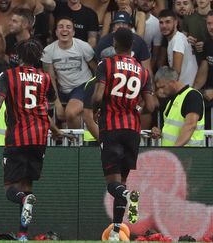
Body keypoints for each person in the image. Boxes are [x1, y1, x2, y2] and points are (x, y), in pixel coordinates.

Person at [0, 39, 63, 241]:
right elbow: (44, 106)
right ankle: (23, 234)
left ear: (18, 56)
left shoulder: (8, 75)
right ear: (38, 58)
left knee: (11, 188)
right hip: (39, 139)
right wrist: (55, 130)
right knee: (27, 185)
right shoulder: (44, 78)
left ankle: (24, 202)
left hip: (17, 138)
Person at [92, 28, 156, 241]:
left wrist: (96, 110)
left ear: (114, 43)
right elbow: (150, 105)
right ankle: (117, 232)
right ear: (132, 46)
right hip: (132, 130)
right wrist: (135, 110)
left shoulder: (106, 64)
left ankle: (127, 196)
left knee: (114, 185)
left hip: (111, 128)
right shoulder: (143, 71)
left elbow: (98, 95)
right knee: (122, 182)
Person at [42, 17, 97, 129]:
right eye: (61, 27)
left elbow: (96, 70)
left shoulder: (83, 46)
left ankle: (77, 144)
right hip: (62, 88)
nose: (64, 30)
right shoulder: (48, 51)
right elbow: (50, 78)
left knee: (70, 113)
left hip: (83, 85)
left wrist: (96, 93)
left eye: (68, 27)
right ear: (56, 32)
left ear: (73, 32)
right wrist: (57, 103)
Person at [151, 66, 205, 146]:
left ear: (172, 82)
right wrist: (160, 132)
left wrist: (176, 150)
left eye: (162, 87)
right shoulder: (172, 100)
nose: (160, 91)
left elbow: (191, 125)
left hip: (189, 154)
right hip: (175, 155)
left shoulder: (192, 96)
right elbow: (173, 128)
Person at [95, 11, 152, 75]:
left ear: (130, 27)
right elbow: (98, 68)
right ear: (113, 27)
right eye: (118, 24)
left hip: (135, 77)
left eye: (124, 24)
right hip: (111, 77)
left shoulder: (139, 41)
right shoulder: (104, 42)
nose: (121, 26)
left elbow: (147, 69)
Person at [159, 9, 198, 86]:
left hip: (185, 89)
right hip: (185, 87)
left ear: (176, 23)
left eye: (168, 22)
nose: (164, 26)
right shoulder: (175, 39)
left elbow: (176, 72)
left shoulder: (178, 39)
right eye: (161, 22)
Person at [194, 10, 213, 129]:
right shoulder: (208, 43)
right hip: (208, 97)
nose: (211, 27)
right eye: (209, 23)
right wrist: (193, 91)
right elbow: (203, 70)